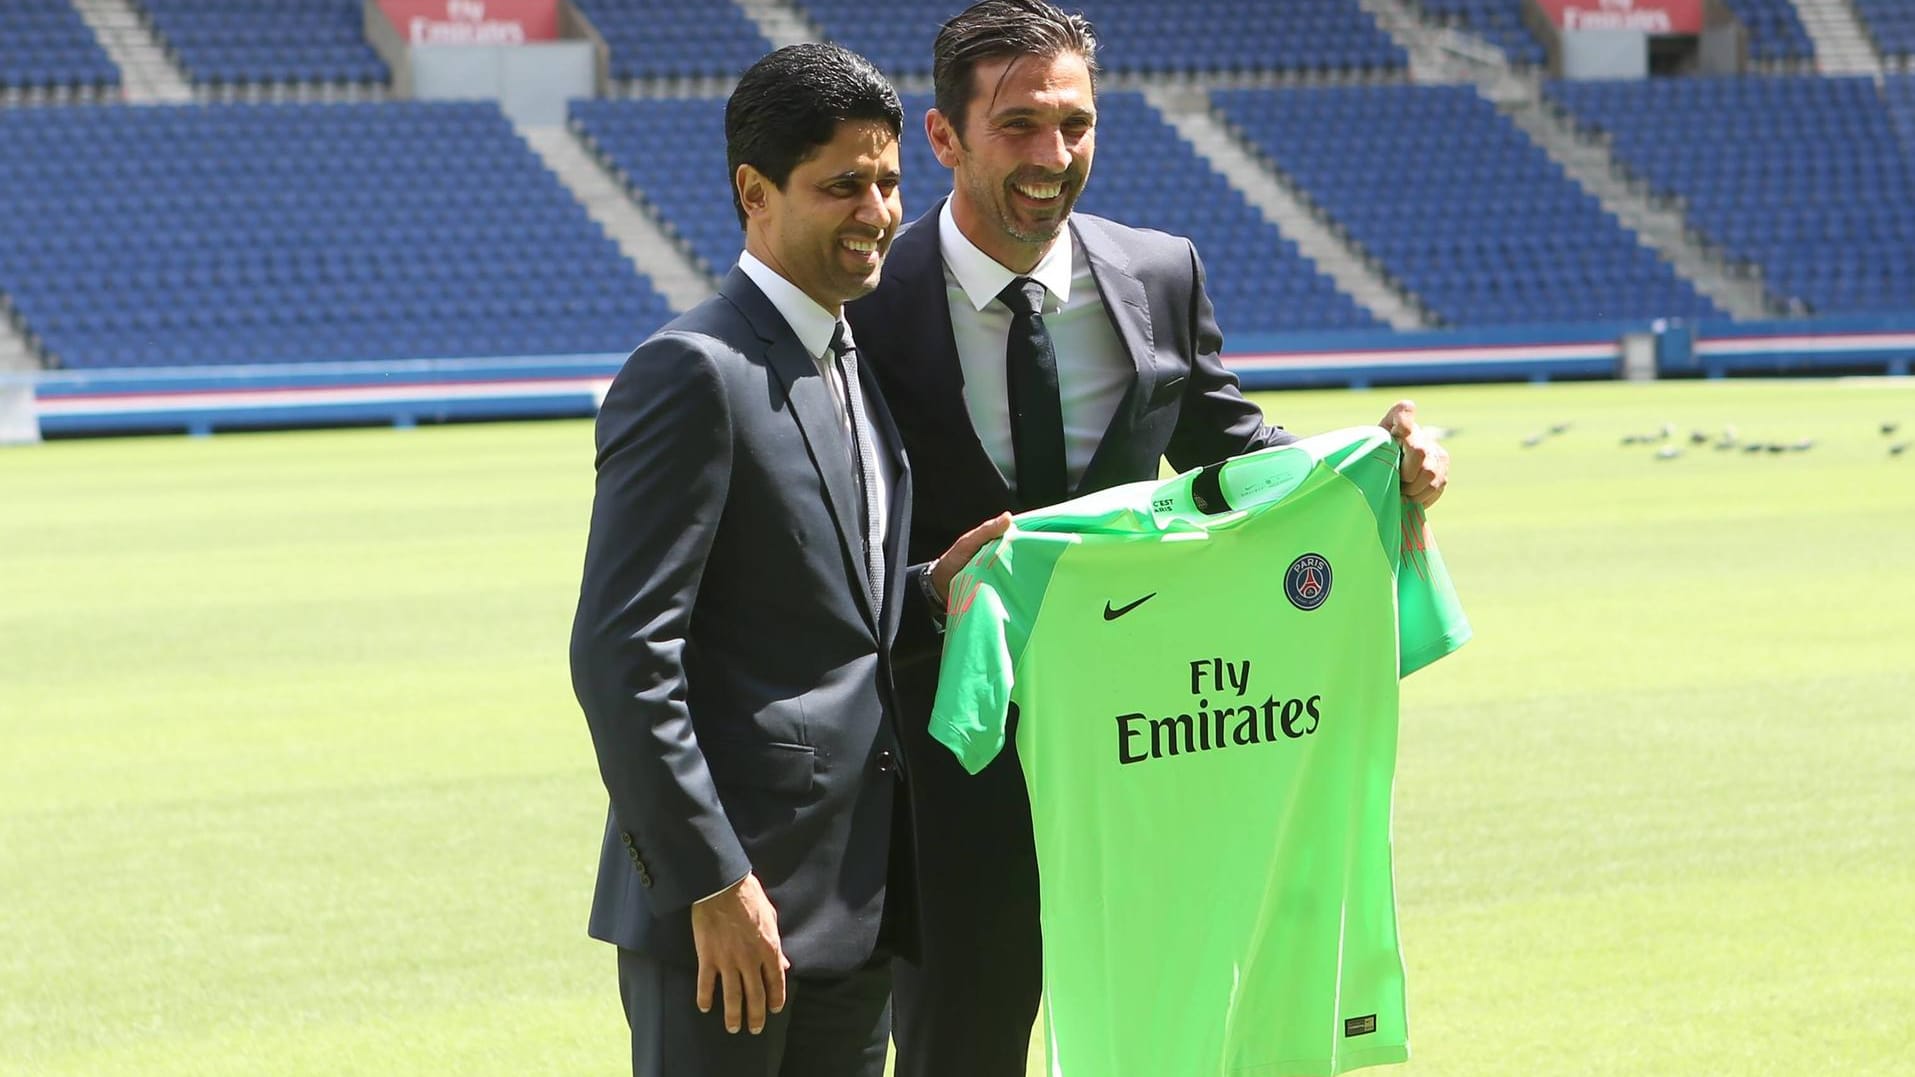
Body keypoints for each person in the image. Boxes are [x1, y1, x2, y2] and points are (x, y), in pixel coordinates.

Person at [843, 2, 1451, 1074]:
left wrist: (1375, 473)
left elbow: (1238, 457)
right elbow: (819, 548)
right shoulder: (862, 304)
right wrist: (930, 585)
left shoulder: (1158, 273)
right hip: (945, 768)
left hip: (1145, 748)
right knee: (960, 1050)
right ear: (942, 138)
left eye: (1075, 124)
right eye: (1019, 125)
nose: (1053, 156)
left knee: (1164, 1035)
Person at [570, 43, 1003, 1077]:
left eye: (890, 181)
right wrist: (709, 884)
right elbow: (622, 656)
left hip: (855, 905)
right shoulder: (690, 372)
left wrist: (930, 594)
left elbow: (823, 619)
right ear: (753, 194)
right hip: (728, 923)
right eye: (842, 186)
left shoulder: (852, 359)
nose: (876, 211)